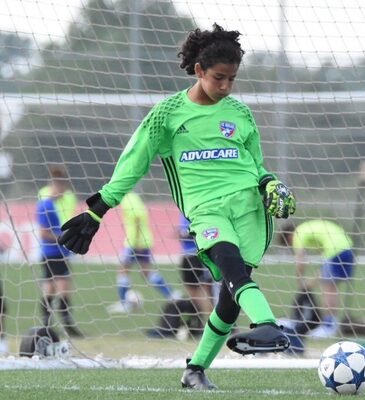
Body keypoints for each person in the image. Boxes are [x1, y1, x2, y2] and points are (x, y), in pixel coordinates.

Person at [58, 23, 296, 390]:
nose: (226, 87)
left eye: (232, 79)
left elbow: (256, 164)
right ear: (199, 71)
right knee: (230, 264)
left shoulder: (240, 113)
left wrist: (269, 182)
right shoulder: (167, 113)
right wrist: (98, 208)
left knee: (229, 299)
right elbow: (133, 162)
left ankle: (195, 370)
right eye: (219, 78)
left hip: (250, 210)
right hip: (206, 211)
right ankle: (268, 325)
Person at [279, 219, 355, 338]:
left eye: (289, 244)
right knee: (333, 288)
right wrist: (312, 281)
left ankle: (328, 327)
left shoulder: (298, 234)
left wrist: (300, 281)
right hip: (347, 247)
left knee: (328, 290)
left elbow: (301, 261)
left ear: (289, 237)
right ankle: (331, 324)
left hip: (335, 250)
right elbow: (322, 267)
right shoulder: (308, 228)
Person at [107, 191, 179, 314]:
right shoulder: (133, 197)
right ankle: (172, 294)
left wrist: (135, 242)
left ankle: (125, 303)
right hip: (143, 241)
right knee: (146, 273)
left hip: (135, 242)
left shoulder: (128, 198)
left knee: (123, 270)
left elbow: (138, 216)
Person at [36, 169, 83, 337]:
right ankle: (68, 325)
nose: (65, 189)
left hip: (54, 252)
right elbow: (43, 233)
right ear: (55, 184)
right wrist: (62, 238)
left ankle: (46, 324)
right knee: (63, 287)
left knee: (49, 287)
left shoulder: (56, 202)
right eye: (62, 185)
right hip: (54, 252)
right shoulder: (45, 205)